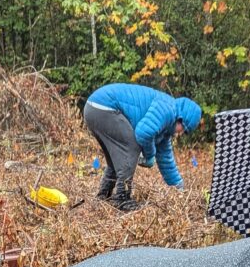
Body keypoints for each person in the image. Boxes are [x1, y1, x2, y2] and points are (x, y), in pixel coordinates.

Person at [83, 83, 202, 211]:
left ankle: (103, 195)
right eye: (184, 129)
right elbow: (143, 133)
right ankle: (122, 198)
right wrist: (149, 155)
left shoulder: (165, 130)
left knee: (117, 157)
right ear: (181, 119)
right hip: (104, 107)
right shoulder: (168, 109)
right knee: (132, 146)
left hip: (93, 108)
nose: (181, 133)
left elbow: (166, 161)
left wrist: (180, 188)